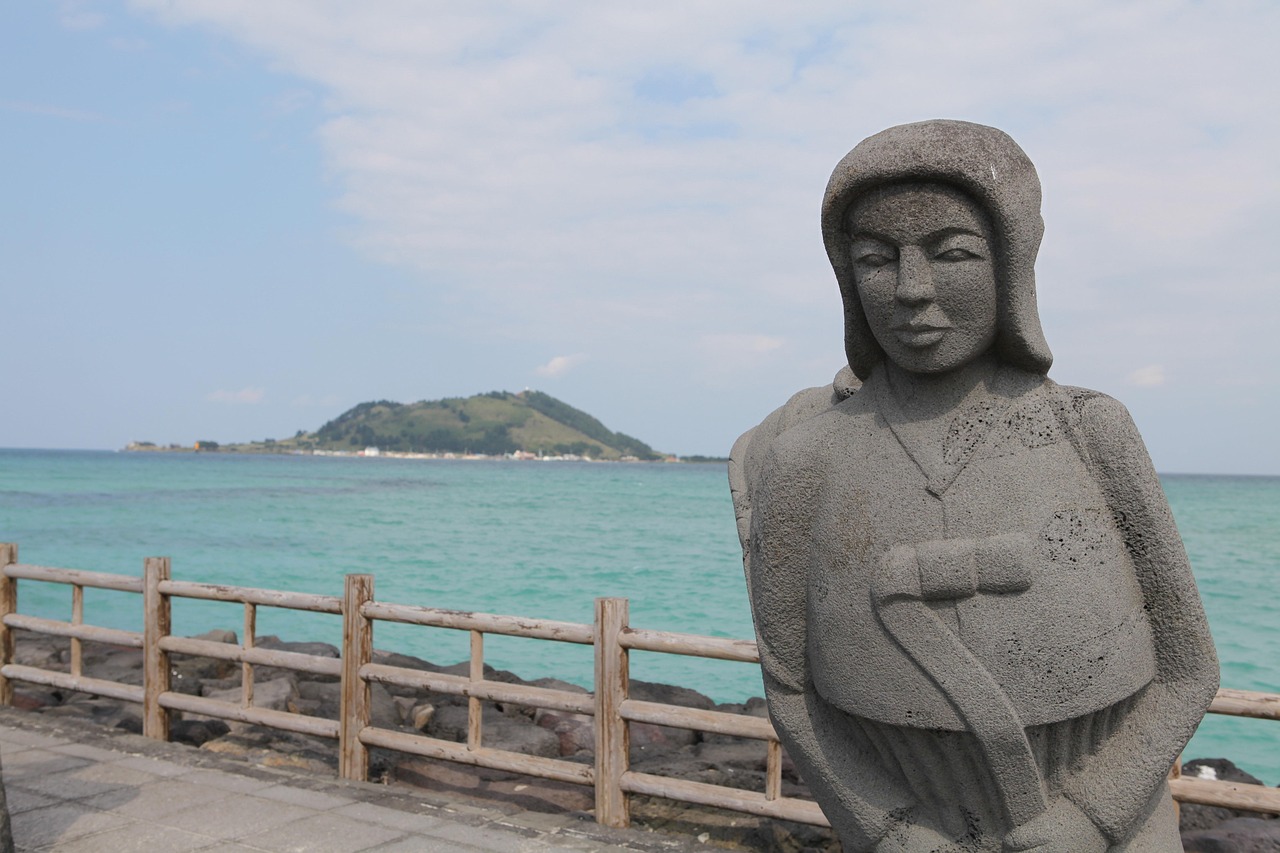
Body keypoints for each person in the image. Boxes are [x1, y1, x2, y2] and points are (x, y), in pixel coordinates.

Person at [731, 120, 1218, 852]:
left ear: (1011, 263)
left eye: (952, 252)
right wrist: (888, 826)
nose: (911, 291)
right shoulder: (807, 459)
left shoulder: (1090, 429)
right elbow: (792, 691)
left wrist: (1092, 815)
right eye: (875, 259)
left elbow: (1188, 666)